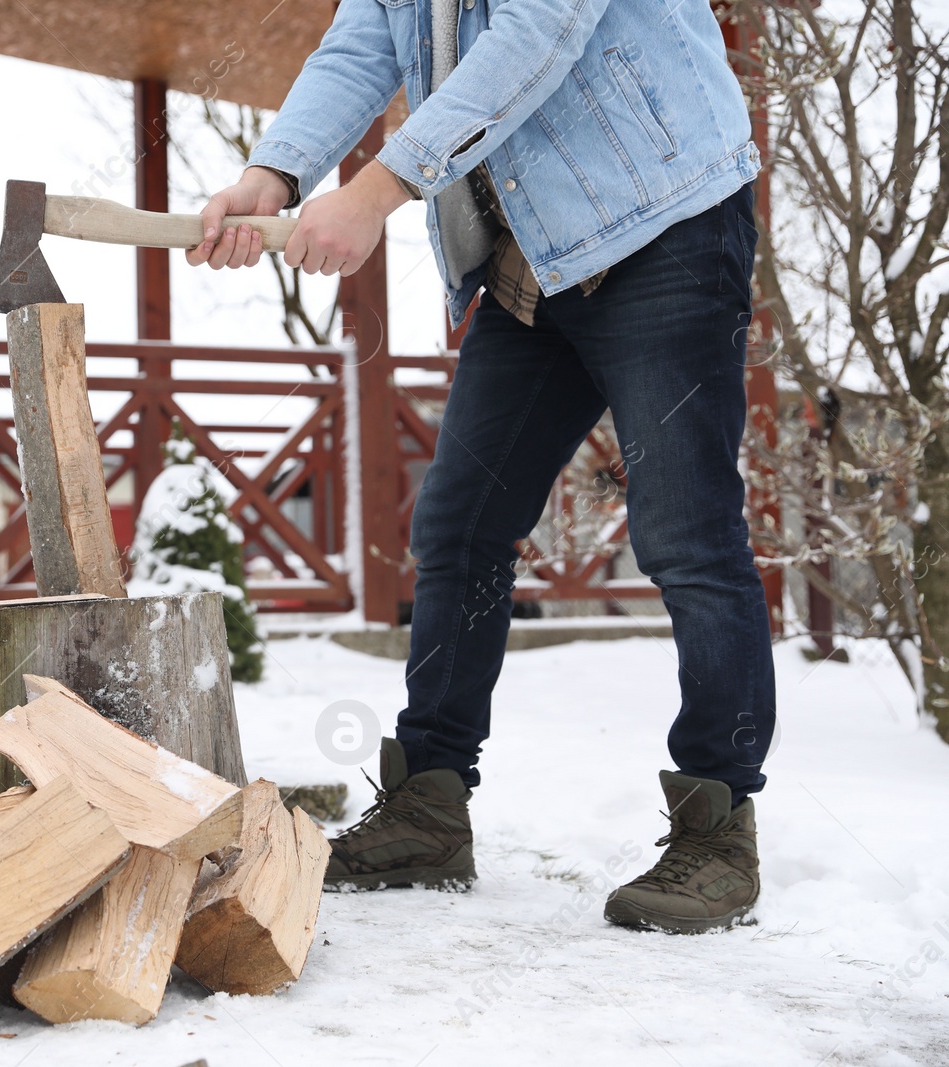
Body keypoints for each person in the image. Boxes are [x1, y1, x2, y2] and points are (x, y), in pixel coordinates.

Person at [189, 0, 772, 934]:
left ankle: (719, 829)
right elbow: (367, 39)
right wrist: (277, 169)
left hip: (664, 219)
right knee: (459, 525)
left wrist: (374, 192)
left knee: (689, 536)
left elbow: (538, 32)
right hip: (529, 256)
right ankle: (428, 807)